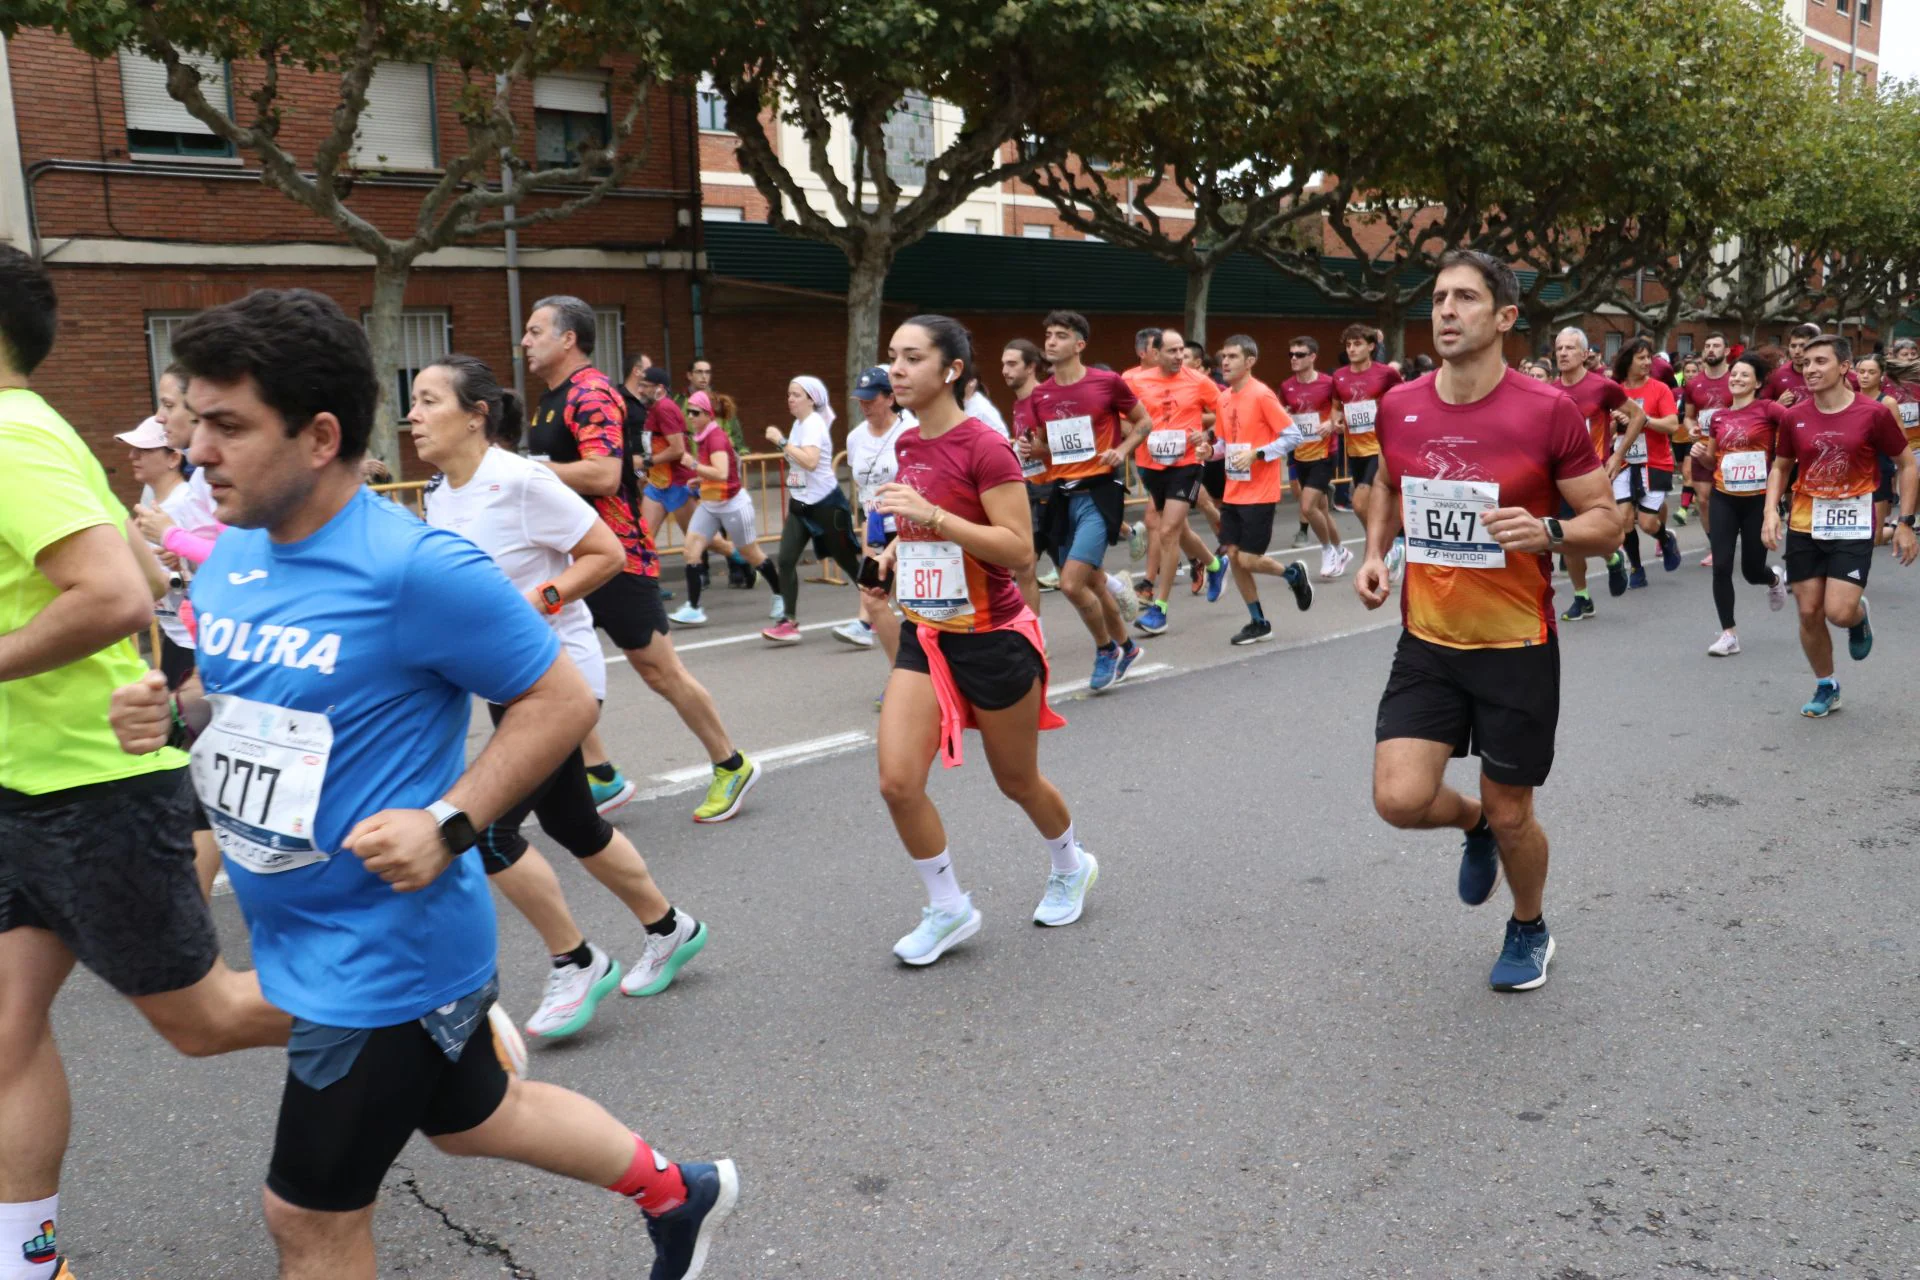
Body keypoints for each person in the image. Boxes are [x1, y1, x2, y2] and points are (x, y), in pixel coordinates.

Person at [116, 287, 736, 1279]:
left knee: (306, 1219)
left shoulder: (415, 566)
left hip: (384, 956)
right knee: (481, 1116)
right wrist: (170, 718)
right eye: (197, 423)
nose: (198, 453)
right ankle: (681, 1189)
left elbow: (562, 699)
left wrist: (451, 822)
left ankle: (467, 1028)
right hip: (298, 931)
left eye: (226, 426)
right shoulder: (233, 554)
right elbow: (248, 713)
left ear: (319, 436)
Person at [1, 249, 292, 1280]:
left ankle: (431, 1009)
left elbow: (117, 597)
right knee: (5, 1030)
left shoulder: (9, 437)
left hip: (92, 788)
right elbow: (138, 563)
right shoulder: (27, 435)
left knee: (204, 1020)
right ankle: (27, 1261)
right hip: (19, 784)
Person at [413, 355, 709, 1038]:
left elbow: (606, 554)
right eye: (415, 402)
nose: (415, 415)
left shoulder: (521, 480)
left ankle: (577, 961)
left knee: (482, 829)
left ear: (475, 414)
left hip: (558, 679)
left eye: (429, 401)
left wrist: (535, 601)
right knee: (575, 823)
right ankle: (671, 929)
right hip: (502, 680)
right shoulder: (438, 492)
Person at [1357, 250, 1620, 993]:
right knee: (1399, 800)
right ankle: (1467, 824)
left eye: (1465, 298)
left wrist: (1551, 533)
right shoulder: (1400, 404)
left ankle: (1529, 925)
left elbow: (1607, 520)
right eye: (1439, 297)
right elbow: (1385, 482)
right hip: (1429, 642)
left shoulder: (1547, 411)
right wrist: (1378, 551)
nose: (1445, 310)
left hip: (1516, 647)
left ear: (1504, 318)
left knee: (1514, 814)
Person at [865, 314, 1094, 965]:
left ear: (953, 370)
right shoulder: (907, 445)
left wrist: (933, 516)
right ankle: (948, 908)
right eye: (893, 358)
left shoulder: (985, 446)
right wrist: (896, 553)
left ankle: (1071, 864)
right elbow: (927, 531)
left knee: (1017, 781)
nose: (897, 370)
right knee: (897, 782)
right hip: (928, 632)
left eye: (912, 358)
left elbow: (1019, 550)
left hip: (994, 637)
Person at [521, 295, 757, 825]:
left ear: (568, 339)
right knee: (550, 667)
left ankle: (731, 763)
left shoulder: (593, 394)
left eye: (535, 331)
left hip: (614, 555)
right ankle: (601, 772)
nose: (525, 341)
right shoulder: (550, 399)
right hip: (569, 556)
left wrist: (528, 472)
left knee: (660, 671)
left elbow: (604, 475)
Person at [1761, 334, 1918, 717]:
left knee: (1839, 613)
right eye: (1806, 362)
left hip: (1851, 524)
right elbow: (1781, 466)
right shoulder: (1795, 414)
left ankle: (1858, 617)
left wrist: (1905, 522)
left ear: (1844, 367)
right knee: (1808, 611)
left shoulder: (1873, 413)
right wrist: (1769, 512)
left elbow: (1907, 464)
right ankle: (1826, 685)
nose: (1810, 369)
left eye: (1820, 362)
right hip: (1804, 521)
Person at [1023, 310, 1152, 693]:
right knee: (1092, 581)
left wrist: (1123, 450)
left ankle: (1105, 649)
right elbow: (1051, 451)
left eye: (1060, 335)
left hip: (1099, 493)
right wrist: (1036, 449)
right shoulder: (1041, 394)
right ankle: (1127, 648)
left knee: (1070, 583)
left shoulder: (1106, 382)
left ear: (1079, 344)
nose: (1050, 341)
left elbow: (1144, 422)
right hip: (1062, 495)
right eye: (1047, 334)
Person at [1207, 334, 1315, 643]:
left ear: (1250, 361)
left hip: (1260, 492)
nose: (1224, 362)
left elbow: (1293, 436)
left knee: (1249, 560)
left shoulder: (1262, 395)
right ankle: (1258, 621)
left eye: (1232, 356)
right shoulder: (1224, 398)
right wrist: (1209, 452)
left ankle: (1293, 574)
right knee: (1233, 555)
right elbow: (1226, 445)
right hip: (1233, 491)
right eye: (1222, 357)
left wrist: (1258, 454)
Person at [1121, 326, 1226, 635]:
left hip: (1187, 463)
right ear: (1155, 353)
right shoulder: (1135, 381)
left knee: (1167, 531)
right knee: (1178, 532)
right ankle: (1216, 566)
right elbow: (1121, 416)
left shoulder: (1198, 381)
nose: (1179, 356)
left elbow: (1227, 410)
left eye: (1182, 350)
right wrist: (1129, 438)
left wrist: (1206, 435)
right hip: (1151, 466)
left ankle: (1160, 609)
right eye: (1172, 351)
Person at [1685, 354, 1791, 655]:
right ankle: (1728, 634)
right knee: (1721, 565)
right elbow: (1711, 458)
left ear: (1757, 383)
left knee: (1751, 570)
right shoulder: (1719, 416)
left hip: (1758, 500)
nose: (1737, 379)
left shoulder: (1769, 409)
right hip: (1724, 497)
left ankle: (1773, 577)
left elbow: (1797, 429)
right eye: (1734, 375)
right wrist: (1699, 452)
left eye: (1745, 375)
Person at [762, 376, 864, 643]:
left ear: (812, 399)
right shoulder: (799, 424)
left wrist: (781, 442)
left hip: (826, 505)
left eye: (796, 394)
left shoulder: (814, 424)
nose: (790, 399)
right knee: (785, 560)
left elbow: (809, 461)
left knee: (848, 563)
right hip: (801, 505)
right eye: (788, 394)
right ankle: (789, 622)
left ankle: (877, 612)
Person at [670, 392, 782, 627]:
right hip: (710, 504)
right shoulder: (702, 435)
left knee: (752, 554)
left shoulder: (716, 438)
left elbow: (721, 472)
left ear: (708, 414)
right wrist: (699, 480)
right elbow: (720, 472)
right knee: (691, 549)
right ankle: (693, 607)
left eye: (695, 412)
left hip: (733, 505)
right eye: (688, 411)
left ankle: (781, 596)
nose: (690, 416)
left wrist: (694, 465)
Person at [1552, 326, 1639, 617]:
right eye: (1559, 348)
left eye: (1570, 348)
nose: (1563, 353)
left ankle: (1611, 555)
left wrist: (1618, 454)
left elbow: (1638, 416)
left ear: (1585, 354)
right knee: (1569, 538)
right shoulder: (1548, 390)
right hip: (1560, 477)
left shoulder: (1602, 387)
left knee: (1589, 532)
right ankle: (1583, 596)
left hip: (1594, 475)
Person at [835, 368, 912, 667]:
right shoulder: (856, 438)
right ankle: (900, 675)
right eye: (860, 400)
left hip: (907, 527)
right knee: (873, 599)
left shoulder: (909, 432)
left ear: (890, 398)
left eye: (871, 399)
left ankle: (937, 671)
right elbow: (863, 487)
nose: (864, 405)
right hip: (876, 528)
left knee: (910, 604)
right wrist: (868, 529)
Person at [1606, 337, 1684, 587]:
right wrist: (1615, 422)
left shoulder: (1659, 389)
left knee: (1649, 523)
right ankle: (1637, 569)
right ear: (1627, 360)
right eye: (1641, 357)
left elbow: (1672, 424)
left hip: (1655, 462)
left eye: (1649, 357)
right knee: (1624, 518)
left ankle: (1665, 537)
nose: (1647, 362)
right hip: (1624, 462)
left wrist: (1642, 420)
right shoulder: (1614, 390)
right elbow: (1605, 432)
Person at [1331, 322, 1405, 579]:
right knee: (1369, 505)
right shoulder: (1339, 376)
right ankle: (1392, 544)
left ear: (1371, 346)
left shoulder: (1386, 374)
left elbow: (1401, 401)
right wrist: (1336, 420)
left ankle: (1381, 549)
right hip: (1355, 449)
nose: (1351, 349)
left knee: (1360, 501)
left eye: (1358, 344)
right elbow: (1337, 406)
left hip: (1380, 446)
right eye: (1348, 344)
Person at [1279, 336, 1350, 580]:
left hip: (1325, 453)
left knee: (1307, 506)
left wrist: (1332, 423)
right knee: (1321, 510)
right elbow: (1285, 415)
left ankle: (1328, 550)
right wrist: (1285, 415)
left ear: (1312, 357)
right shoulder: (1287, 386)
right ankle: (1341, 551)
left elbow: (1341, 411)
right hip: (1301, 453)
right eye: (1291, 355)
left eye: (1299, 354)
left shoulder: (1329, 384)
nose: (1294, 359)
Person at [1002, 338, 1059, 605]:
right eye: (1004, 364)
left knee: (1075, 578)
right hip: (1029, 489)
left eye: (1012, 364)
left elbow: (1071, 447)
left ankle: (1116, 590)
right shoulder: (1018, 403)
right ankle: (1033, 637)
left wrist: (1041, 451)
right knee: (1023, 568)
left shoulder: (1046, 399)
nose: (1005, 370)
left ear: (1031, 367)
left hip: (1053, 489)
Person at [1675, 333, 1733, 553]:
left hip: (1731, 450)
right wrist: (1691, 429)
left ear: (1726, 351)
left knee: (1730, 499)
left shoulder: (1736, 378)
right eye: (1707, 345)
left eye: (1716, 346)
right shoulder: (1694, 383)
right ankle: (1716, 546)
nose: (1710, 349)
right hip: (1702, 447)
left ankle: (1729, 533)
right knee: (1704, 500)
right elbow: (1689, 416)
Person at [1762, 323, 1822, 406]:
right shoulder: (1777, 374)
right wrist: (1777, 405)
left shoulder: (1827, 373)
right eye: (1793, 346)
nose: (1797, 351)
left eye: (1802, 346)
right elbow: (1761, 408)